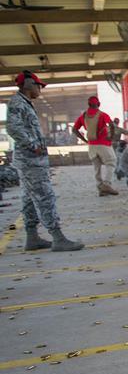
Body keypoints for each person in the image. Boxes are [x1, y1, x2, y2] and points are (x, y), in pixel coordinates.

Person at [5, 71, 83, 252]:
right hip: (30, 160)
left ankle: (32, 238)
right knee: (44, 196)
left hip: (30, 160)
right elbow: (12, 127)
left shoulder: (25, 104)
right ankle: (58, 237)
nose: (40, 89)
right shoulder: (18, 103)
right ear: (28, 85)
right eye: (38, 85)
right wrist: (33, 145)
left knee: (30, 199)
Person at [70, 95, 118, 196]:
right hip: (104, 144)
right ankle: (106, 184)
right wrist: (111, 137)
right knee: (111, 162)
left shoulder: (83, 116)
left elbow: (74, 129)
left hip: (91, 146)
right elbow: (112, 125)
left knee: (97, 167)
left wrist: (85, 140)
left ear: (89, 104)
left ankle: (100, 189)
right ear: (98, 104)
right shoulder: (102, 114)